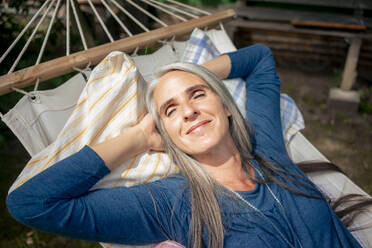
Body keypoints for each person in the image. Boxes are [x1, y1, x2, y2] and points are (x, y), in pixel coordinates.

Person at [6, 44, 363, 248]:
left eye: (198, 95)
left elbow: (260, 59)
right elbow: (31, 203)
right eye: (171, 110)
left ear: (225, 106)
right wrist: (138, 138)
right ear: (166, 134)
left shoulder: (267, 150)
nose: (189, 111)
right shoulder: (170, 204)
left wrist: (186, 74)